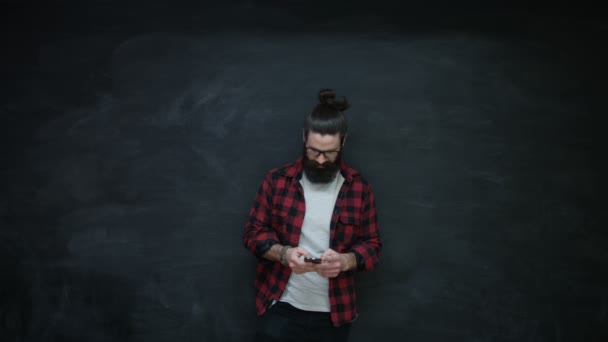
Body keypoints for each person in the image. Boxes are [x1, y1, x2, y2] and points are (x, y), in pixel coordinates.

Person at [243, 89, 382, 342]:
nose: (320, 159)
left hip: (335, 314)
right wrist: (285, 255)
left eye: (330, 153)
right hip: (280, 307)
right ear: (304, 137)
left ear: (344, 142)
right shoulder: (276, 181)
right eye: (314, 150)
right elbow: (252, 234)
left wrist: (346, 261)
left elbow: (373, 246)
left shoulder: (359, 188)